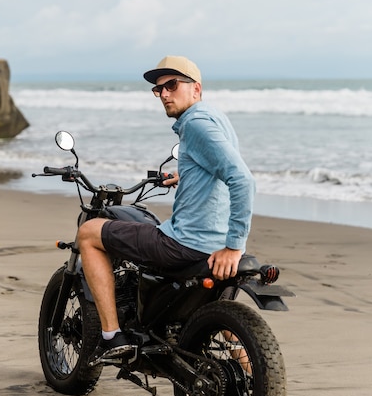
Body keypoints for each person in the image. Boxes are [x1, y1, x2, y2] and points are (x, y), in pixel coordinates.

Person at [78, 56, 256, 366]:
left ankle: (111, 337)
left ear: (196, 89)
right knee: (219, 312)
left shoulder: (196, 124)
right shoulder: (214, 118)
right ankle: (256, 384)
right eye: (158, 89)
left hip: (186, 245)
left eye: (172, 85)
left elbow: (241, 179)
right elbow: (219, 169)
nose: (164, 94)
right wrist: (186, 174)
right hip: (211, 242)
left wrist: (234, 246)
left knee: (89, 233)